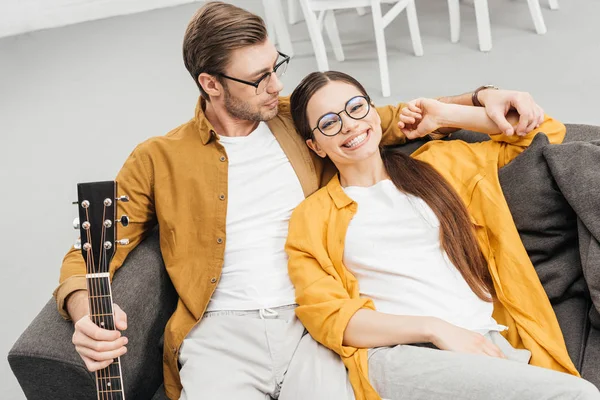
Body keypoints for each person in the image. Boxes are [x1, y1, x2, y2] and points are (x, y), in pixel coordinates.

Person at [54, 2, 550, 399]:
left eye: (276, 67)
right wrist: (83, 315)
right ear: (210, 84)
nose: (276, 85)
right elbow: (90, 252)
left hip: (317, 326)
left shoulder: (303, 121)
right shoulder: (157, 158)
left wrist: (486, 94)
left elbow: (396, 118)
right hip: (222, 335)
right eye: (258, 78)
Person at [286, 70, 600, 400]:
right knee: (577, 396)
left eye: (356, 107)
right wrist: (435, 328)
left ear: (373, 112)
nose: (349, 124)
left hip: (487, 345)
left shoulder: (440, 164)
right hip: (403, 354)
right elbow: (327, 316)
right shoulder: (313, 216)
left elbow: (545, 134)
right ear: (315, 145)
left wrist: (445, 114)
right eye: (329, 122)